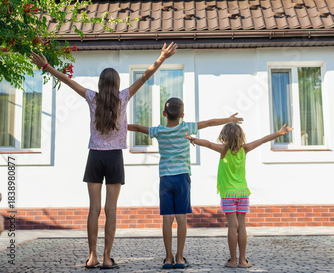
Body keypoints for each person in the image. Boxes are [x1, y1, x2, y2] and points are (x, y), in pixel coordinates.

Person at [30, 42, 178, 270]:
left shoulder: (92, 98)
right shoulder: (124, 96)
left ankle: (92, 256)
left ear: (100, 84)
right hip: (114, 158)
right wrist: (162, 58)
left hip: (95, 157)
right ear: (117, 84)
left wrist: (47, 66)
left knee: (94, 209)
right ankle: (107, 257)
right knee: (111, 210)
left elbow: (69, 81)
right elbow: (145, 77)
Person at [128, 97, 243, 269]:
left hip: (166, 178)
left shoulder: (158, 130)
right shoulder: (186, 128)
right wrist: (229, 120)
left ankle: (168, 259)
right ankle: (180, 258)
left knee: (167, 218)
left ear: (164, 114)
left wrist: (117, 125)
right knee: (181, 218)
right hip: (182, 177)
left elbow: (137, 127)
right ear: (182, 115)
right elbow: (209, 123)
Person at [186, 123, 293, 269]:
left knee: (232, 225)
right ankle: (243, 260)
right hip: (242, 192)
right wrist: (279, 133)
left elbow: (209, 144)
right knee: (241, 225)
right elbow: (262, 140)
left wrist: (193, 139)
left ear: (224, 136)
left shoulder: (223, 150)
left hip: (228, 193)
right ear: (240, 136)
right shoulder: (245, 149)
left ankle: (233, 260)